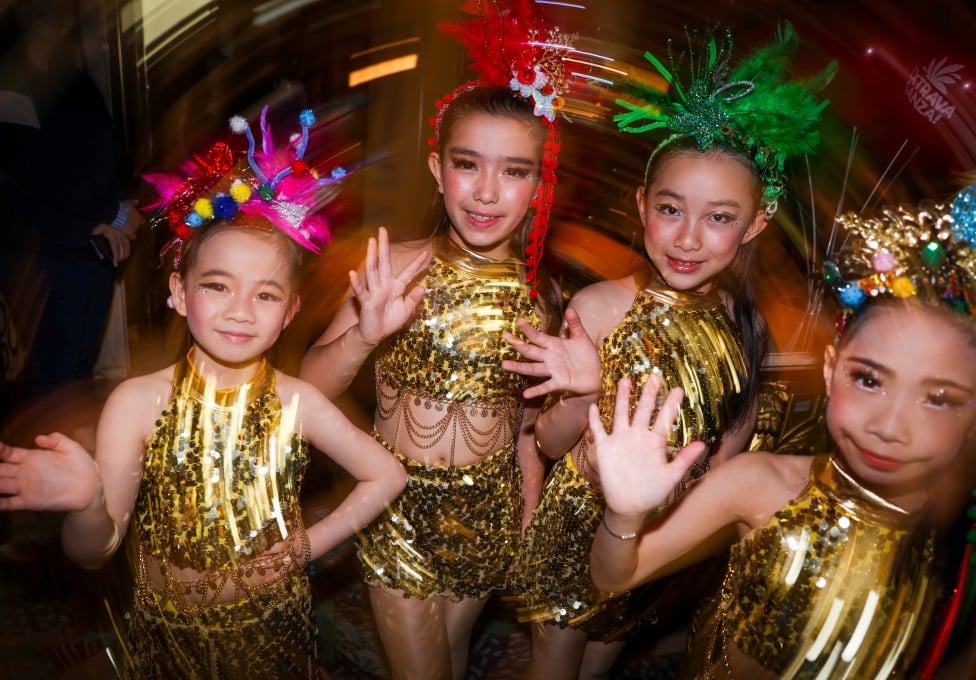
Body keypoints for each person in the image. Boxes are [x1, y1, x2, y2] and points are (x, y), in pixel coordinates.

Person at [0, 108, 407, 679]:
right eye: (217, 286)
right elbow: (94, 551)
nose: (240, 310)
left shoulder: (298, 401)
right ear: (180, 292)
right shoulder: (136, 404)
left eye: (266, 295)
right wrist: (88, 500)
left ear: (290, 313)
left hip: (272, 631)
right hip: (167, 640)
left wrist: (300, 550)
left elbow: (388, 474)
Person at [501, 25, 835, 679]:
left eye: (718, 217)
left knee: (603, 654)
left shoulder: (744, 321)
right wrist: (584, 389)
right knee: (558, 658)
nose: (687, 238)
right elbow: (545, 442)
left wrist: (697, 521)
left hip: (661, 532)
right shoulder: (598, 307)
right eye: (670, 209)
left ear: (756, 223)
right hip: (578, 526)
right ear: (641, 206)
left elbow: (733, 435)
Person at [588, 182, 976, 677]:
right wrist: (625, 516)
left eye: (938, 399)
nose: (889, 426)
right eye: (870, 379)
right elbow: (611, 576)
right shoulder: (762, 485)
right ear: (832, 369)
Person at [298, 4, 574, 677]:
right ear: (435, 166)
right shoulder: (395, 268)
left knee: (449, 658)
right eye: (467, 164)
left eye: (514, 171)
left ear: (540, 184)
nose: (486, 191)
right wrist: (363, 337)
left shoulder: (541, 298)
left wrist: (528, 511)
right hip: (397, 505)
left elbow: (526, 428)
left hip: (489, 513)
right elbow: (306, 393)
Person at [0, 0, 143, 411]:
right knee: (54, 375)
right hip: (41, 251)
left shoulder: (75, 80)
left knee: (77, 374)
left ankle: (73, 462)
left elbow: (107, 152)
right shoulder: (10, 77)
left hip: (88, 244)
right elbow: (31, 170)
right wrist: (109, 215)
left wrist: (117, 213)